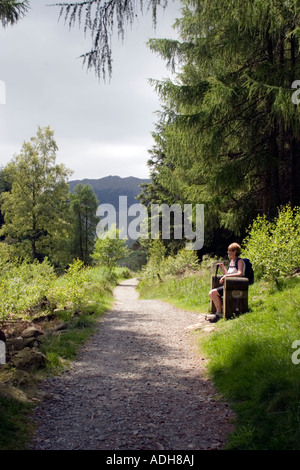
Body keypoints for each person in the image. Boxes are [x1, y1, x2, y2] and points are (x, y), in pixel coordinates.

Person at [208, 243, 245, 323]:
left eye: (230, 251)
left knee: (212, 293)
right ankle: (222, 310)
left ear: (235, 251)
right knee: (211, 293)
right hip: (228, 285)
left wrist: (225, 277)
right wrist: (223, 267)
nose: (228, 253)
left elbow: (240, 273)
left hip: (235, 286)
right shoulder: (231, 262)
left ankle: (219, 313)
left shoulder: (240, 261)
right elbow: (228, 275)